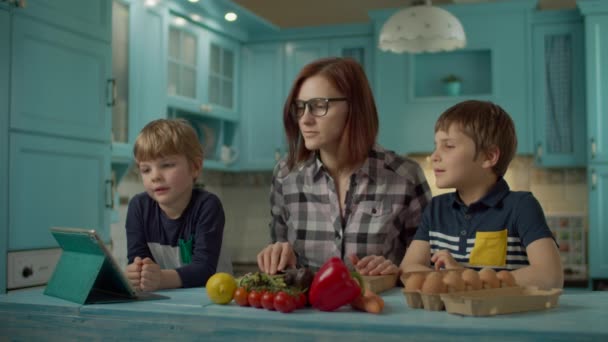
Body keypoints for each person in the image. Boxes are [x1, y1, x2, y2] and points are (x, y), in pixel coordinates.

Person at [257, 57, 432, 276]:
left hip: (381, 307)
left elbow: (428, 266)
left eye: (319, 106)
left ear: (355, 107)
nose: (305, 119)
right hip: (308, 310)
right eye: (300, 107)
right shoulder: (286, 175)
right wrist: (277, 256)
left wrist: (397, 273)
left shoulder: (405, 176)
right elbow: (281, 262)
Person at [401, 100, 563, 289]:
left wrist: (467, 279)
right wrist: (454, 279)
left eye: (449, 146)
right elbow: (408, 269)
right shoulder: (436, 208)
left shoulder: (521, 206)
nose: (434, 156)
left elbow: (550, 275)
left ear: (489, 157)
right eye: (436, 145)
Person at [125, 118, 230, 291]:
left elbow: (204, 270)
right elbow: (138, 261)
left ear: (195, 167)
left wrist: (158, 279)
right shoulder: (138, 207)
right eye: (146, 169)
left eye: (166, 165)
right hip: (167, 303)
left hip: (213, 302)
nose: (155, 176)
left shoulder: (207, 206)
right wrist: (137, 273)